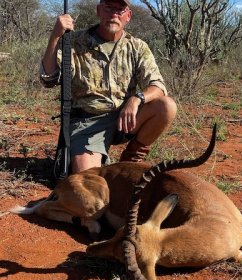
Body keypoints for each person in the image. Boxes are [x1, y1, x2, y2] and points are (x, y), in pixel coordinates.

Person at [40, 0, 177, 173]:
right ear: (98, 11)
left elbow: (158, 85)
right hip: (88, 123)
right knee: (89, 183)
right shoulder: (74, 41)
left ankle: (131, 160)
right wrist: (55, 36)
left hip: (125, 119)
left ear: (128, 16)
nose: (114, 14)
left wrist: (136, 99)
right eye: (109, 7)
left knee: (166, 106)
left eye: (120, 9)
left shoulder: (137, 47)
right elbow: (48, 79)